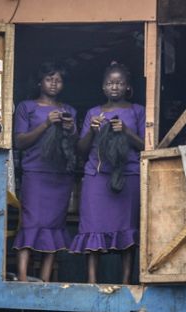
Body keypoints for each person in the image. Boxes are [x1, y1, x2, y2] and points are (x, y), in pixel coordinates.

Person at [69, 62, 145, 284]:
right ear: (103, 87)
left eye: (120, 83)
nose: (115, 87)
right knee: (93, 226)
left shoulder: (137, 111)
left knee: (126, 228)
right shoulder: (93, 113)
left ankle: (125, 281)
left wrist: (127, 131)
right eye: (110, 83)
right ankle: (92, 281)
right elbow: (81, 149)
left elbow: (146, 146)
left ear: (127, 87)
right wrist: (92, 131)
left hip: (127, 177)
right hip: (96, 177)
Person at [13, 62, 78, 282]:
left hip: (60, 176)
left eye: (58, 80)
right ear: (40, 82)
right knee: (31, 222)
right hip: (35, 172)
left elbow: (76, 146)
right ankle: (23, 278)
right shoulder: (26, 107)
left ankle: (45, 279)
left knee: (53, 224)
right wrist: (46, 125)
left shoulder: (69, 111)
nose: (54, 83)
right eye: (49, 79)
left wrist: (70, 130)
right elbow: (20, 141)